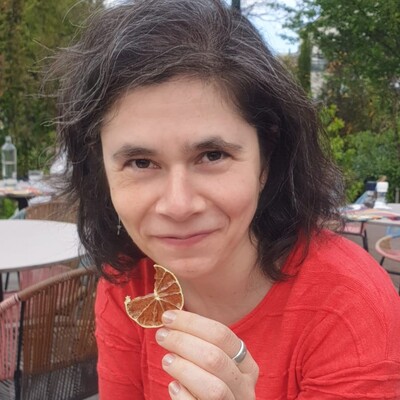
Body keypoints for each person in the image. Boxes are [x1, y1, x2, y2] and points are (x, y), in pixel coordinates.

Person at [49, 0, 400, 398]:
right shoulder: (131, 284)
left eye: (212, 156)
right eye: (141, 162)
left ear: (267, 159)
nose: (178, 205)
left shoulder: (350, 308)